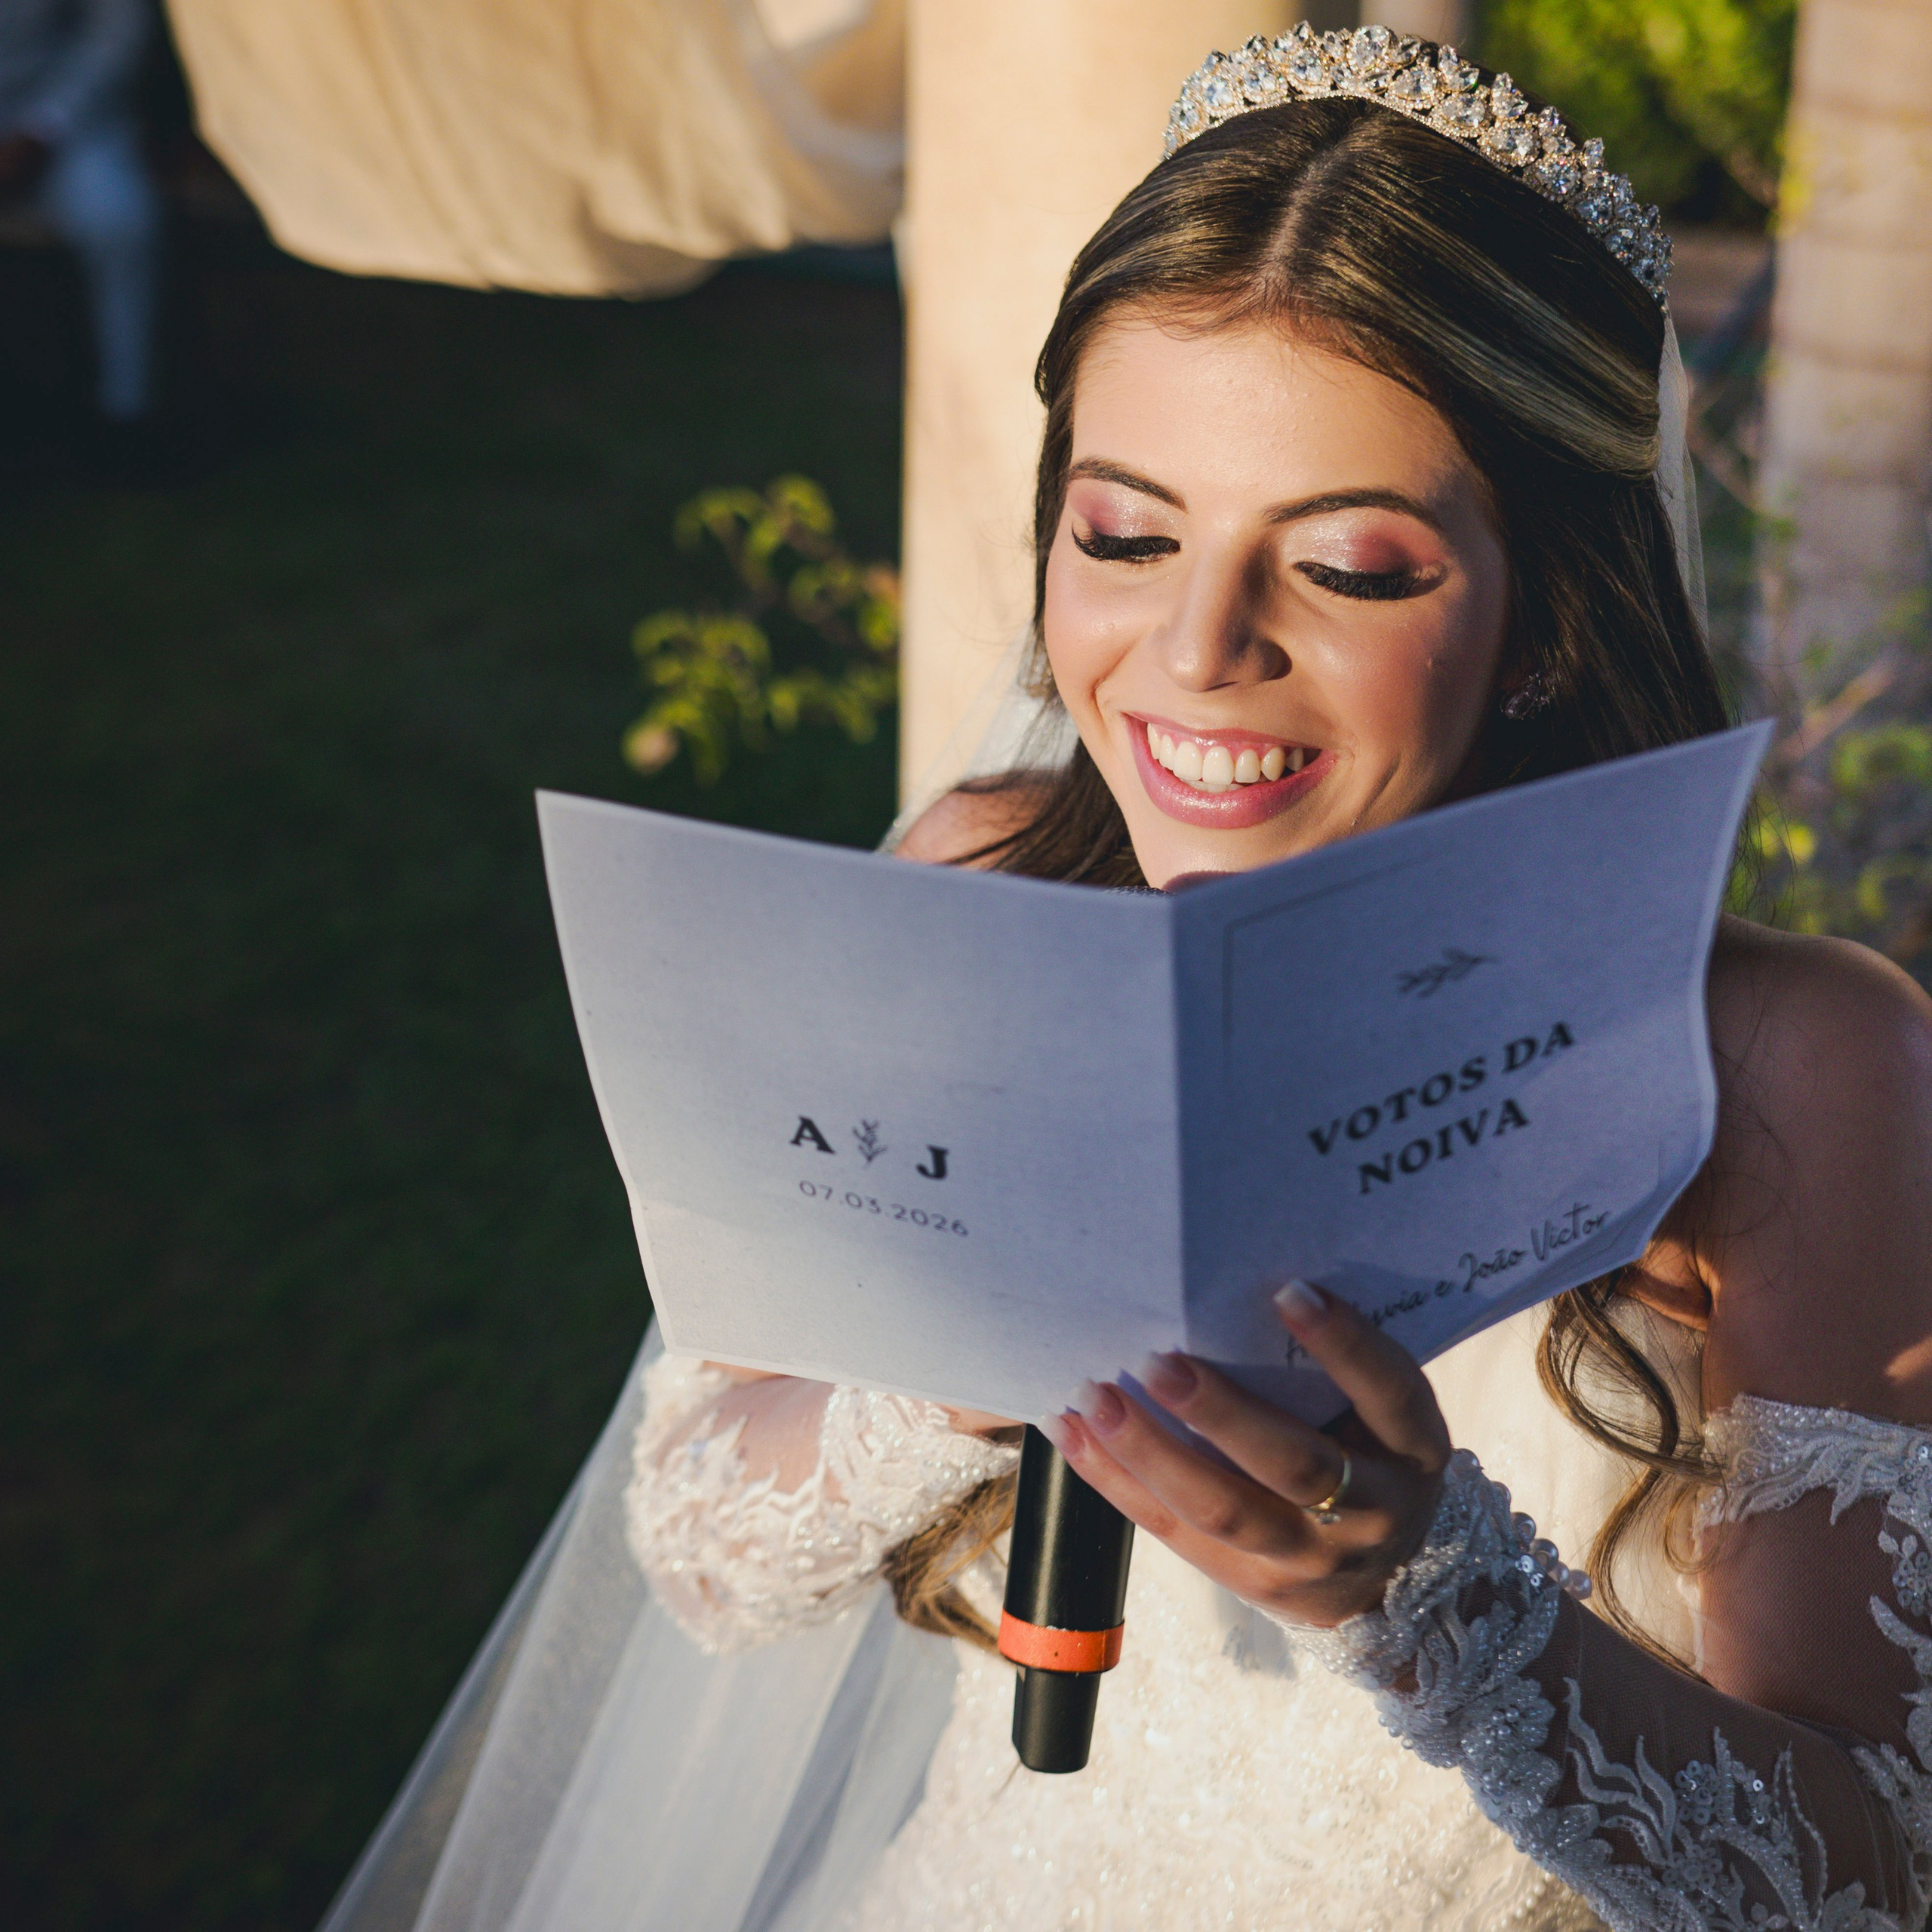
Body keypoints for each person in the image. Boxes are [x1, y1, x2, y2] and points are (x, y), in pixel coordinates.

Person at [325, 27, 1932, 1932]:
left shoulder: (1790, 1064)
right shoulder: (983, 879)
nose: (1193, 646)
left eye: (1345, 565)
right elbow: (697, 1548)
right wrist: (961, 1367)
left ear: (1543, 618)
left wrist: (1425, 1598)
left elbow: (1869, 1876)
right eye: (1125, 531)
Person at [0, 0, 159, 426]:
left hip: (69, 119)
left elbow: (115, 37)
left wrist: (40, 129)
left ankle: (125, 410)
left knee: (118, 222)